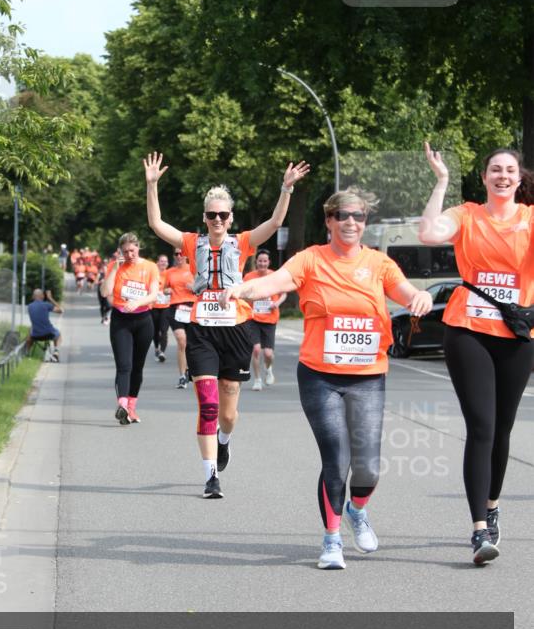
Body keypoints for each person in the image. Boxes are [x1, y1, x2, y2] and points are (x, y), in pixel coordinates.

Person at [221, 188, 432, 566]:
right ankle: (331, 539)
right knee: (336, 457)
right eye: (343, 216)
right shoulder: (311, 260)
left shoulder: (379, 263)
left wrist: (421, 297)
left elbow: (406, 292)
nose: (351, 222)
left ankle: (357, 510)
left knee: (367, 464)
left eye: (359, 216)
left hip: (368, 375)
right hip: (320, 376)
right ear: (329, 221)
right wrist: (242, 289)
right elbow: (274, 283)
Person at [144, 151, 310, 499]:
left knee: (229, 411)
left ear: (230, 217)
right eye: (211, 215)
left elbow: (275, 224)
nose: (217, 219)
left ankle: (224, 439)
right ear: (204, 218)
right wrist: (152, 185)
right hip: (201, 329)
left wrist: (286, 189)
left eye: (223, 214)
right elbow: (158, 226)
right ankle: (210, 477)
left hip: (236, 329)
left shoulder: (244, 242)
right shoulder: (192, 242)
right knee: (207, 404)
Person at [419, 143, 534, 566]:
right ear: (484, 178)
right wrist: (442, 181)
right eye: (495, 170)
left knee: (502, 429)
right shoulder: (468, 214)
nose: (503, 176)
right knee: (482, 427)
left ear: (519, 179)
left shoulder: (530, 218)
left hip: (518, 333)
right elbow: (428, 233)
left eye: (510, 170)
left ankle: (492, 503)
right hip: (468, 329)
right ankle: (478, 531)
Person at [100, 233, 160, 425]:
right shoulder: (115, 266)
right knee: (124, 365)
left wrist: (137, 302)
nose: (129, 255)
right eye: (125, 252)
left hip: (143, 320)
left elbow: (153, 295)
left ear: (138, 247)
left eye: (132, 250)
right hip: (121, 320)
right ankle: (122, 405)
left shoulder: (150, 267)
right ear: (120, 251)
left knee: (137, 366)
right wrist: (115, 268)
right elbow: (105, 292)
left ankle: (131, 407)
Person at [244, 248, 287, 390]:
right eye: (260, 261)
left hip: (270, 319)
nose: (262, 264)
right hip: (253, 317)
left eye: (265, 261)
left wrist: (277, 303)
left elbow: (284, 294)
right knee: (255, 349)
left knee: (268, 353)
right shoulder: (249, 277)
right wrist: (248, 300)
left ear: (268, 262)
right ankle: (257, 380)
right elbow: (241, 294)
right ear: (256, 262)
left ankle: (268, 369)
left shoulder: (275, 276)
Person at [165, 248, 196, 389]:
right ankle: (182, 376)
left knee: (192, 343)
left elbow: (204, 287)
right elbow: (162, 288)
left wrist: (195, 287)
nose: (178, 256)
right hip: (175, 308)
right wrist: (166, 290)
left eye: (181, 253)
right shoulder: (169, 272)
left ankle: (192, 369)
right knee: (181, 340)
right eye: (176, 253)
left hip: (192, 307)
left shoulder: (194, 269)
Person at [26, 288, 63, 360]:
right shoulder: (46, 305)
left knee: (29, 333)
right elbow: (61, 310)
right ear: (42, 296)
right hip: (48, 334)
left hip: (35, 335)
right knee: (58, 335)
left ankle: (27, 353)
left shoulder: (29, 307)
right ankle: (56, 352)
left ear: (33, 297)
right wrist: (50, 298)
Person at [152, 253, 171, 362]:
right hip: (153, 305)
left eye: (165, 261)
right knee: (155, 330)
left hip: (166, 306)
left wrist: (170, 290)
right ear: (157, 262)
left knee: (164, 330)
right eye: (161, 261)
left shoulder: (170, 274)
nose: (163, 263)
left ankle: (162, 352)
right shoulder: (153, 273)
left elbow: (174, 286)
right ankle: (156, 348)